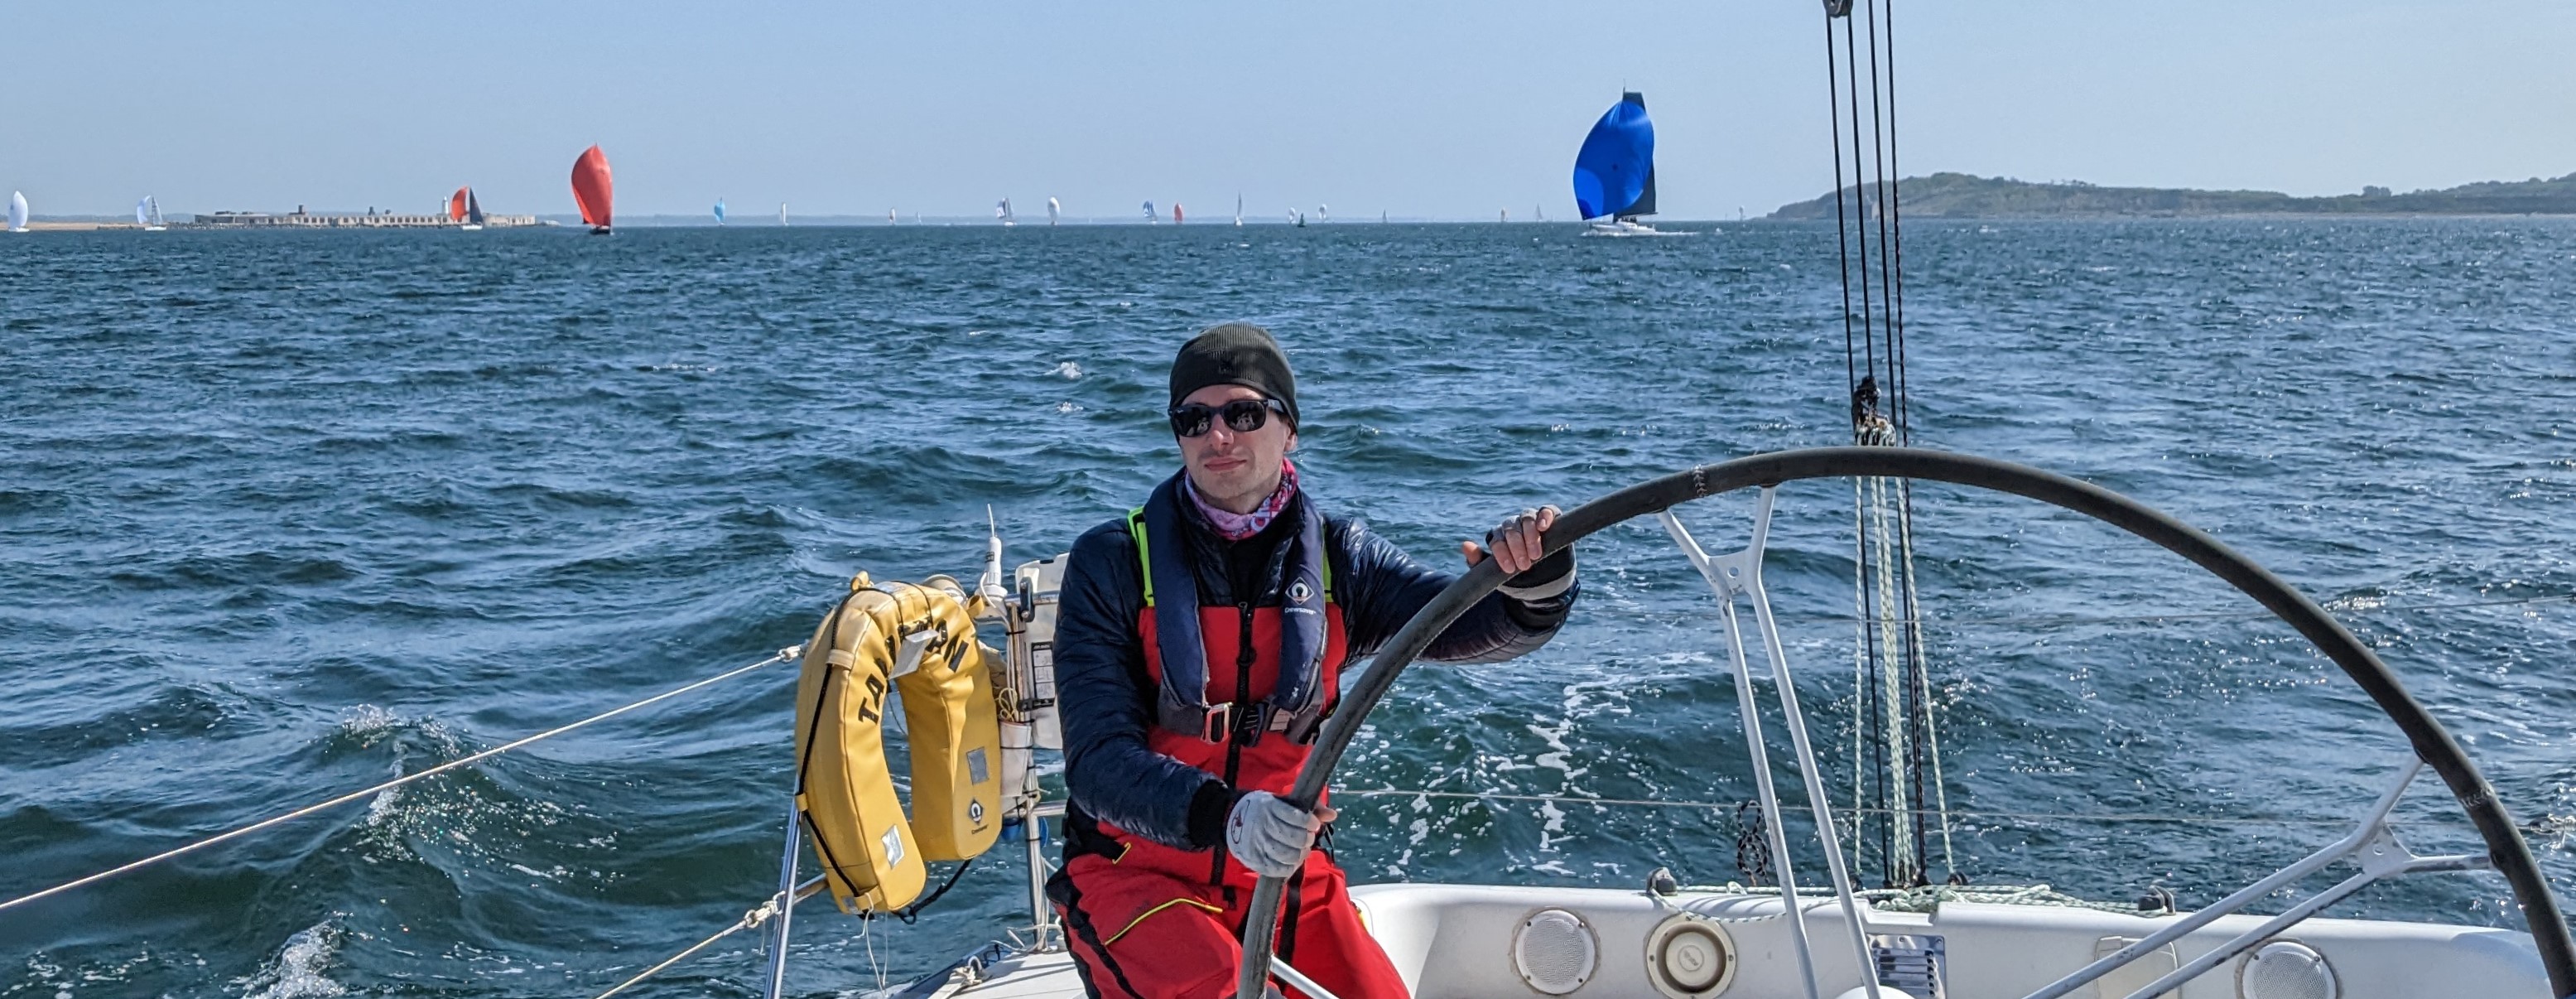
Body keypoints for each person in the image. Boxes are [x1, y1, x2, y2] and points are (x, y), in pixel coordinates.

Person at [1047, 324, 1581, 999]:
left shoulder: (1342, 560)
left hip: (1286, 874)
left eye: (1242, 413)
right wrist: (1229, 817)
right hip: (1133, 872)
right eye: (1194, 419)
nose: (1218, 437)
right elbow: (1097, 763)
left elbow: (1474, 626)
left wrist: (1532, 581)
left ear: (1288, 428)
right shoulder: (1111, 562)